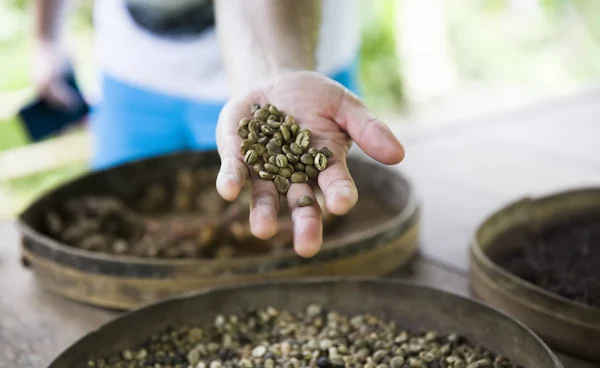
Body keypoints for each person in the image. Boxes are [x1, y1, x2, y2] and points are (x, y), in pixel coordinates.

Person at [35, 0, 405, 258]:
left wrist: (276, 72)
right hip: (133, 69)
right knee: (124, 226)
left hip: (280, 44)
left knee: (283, 230)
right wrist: (47, 37)